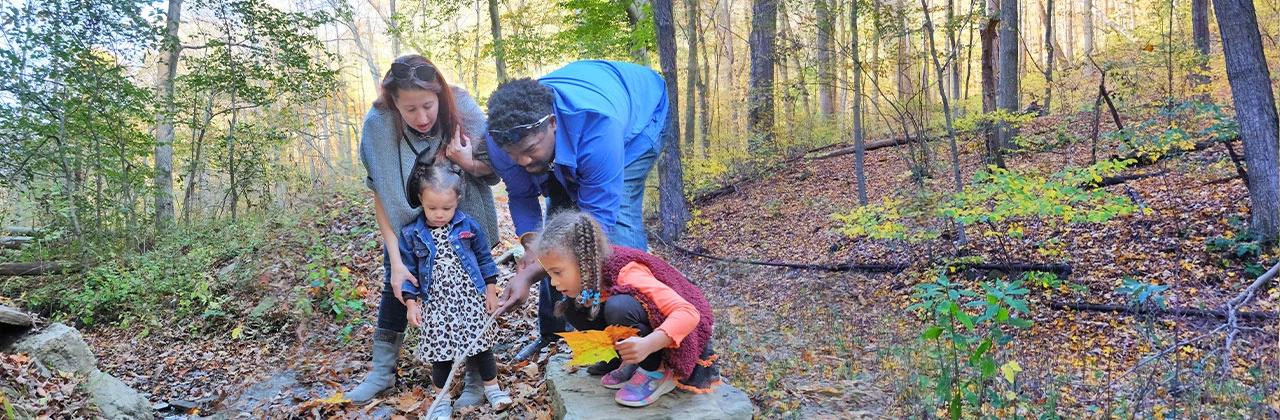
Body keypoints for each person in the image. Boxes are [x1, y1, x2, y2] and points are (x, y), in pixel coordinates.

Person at [482, 60, 671, 363]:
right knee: (557, 225)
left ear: (552, 123)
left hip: (640, 119)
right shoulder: (500, 138)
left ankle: (640, 345)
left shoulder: (598, 131)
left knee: (616, 231)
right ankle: (555, 335)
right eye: (514, 156)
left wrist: (530, 275)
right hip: (573, 138)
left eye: (530, 150)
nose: (523, 162)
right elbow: (521, 195)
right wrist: (533, 249)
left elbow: (597, 225)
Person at [349, 54, 499, 405]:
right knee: (398, 287)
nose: (421, 117)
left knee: (470, 291)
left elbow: (494, 167)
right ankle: (381, 372)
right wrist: (396, 261)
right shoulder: (379, 124)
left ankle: (477, 378)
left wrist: (465, 161)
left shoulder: (461, 105)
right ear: (394, 102)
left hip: (464, 217)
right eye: (410, 109)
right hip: (409, 226)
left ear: (440, 95)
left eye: (428, 106)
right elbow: (383, 194)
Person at [529, 211, 721, 407]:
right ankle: (626, 359)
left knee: (619, 307)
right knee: (571, 306)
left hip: (683, 326)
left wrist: (648, 344)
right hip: (646, 322)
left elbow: (688, 313)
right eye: (550, 274)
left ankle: (656, 370)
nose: (553, 282)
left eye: (558, 272)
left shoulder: (627, 271)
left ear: (585, 262)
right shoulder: (591, 273)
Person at [399, 164, 513, 419]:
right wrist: (411, 303)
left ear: (458, 200)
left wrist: (491, 292)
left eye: (447, 208)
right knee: (441, 355)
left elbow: (485, 259)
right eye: (432, 208)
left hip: (470, 299)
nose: (439, 214)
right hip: (436, 305)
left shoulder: (468, 226)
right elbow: (409, 272)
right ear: (421, 200)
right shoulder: (412, 234)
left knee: (481, 347)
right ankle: (442, 400)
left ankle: (493, 389)